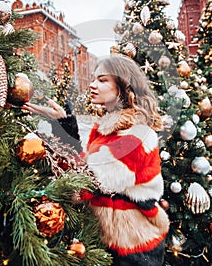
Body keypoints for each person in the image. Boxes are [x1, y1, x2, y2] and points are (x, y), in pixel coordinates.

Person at [22, 54, 169, 266]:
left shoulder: (136, 136)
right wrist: (62, 123)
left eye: (102, 80)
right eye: (93, 79)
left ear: (123, 86)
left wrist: (64, 129)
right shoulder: (106, 129)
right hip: (109, 241)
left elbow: (84, 185)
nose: (92, 85)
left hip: (133, 249)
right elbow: (81, 167)